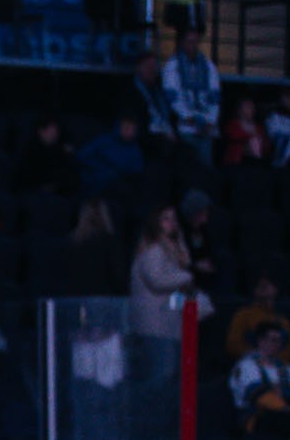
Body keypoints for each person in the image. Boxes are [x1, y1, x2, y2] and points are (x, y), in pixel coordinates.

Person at [129, 206, 202, 345]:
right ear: (155, 223)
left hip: (169, 322)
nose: (172, 222)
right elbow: (157, 280)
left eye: (174, 218)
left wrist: (180, 242)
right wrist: (187, 276)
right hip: (155, 325)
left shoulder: (170, 250)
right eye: (165, 219)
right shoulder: (153, 249)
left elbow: (178, 283)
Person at [229, 322, 290, 432]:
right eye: (273, 340)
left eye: (280, 341)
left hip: (284, 415)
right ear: (261, 341)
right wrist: (286, 409)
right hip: (254, 418)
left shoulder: (285, 368)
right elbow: (257, 394)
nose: (277, 345)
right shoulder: (246, 365)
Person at [163, 29, 221, 169]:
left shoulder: (208, 66)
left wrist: (210, 120)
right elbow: (172, 96)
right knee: (187, 167)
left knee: (206, 168)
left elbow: (215, 96)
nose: (192, 45)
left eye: (195, 42)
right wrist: (188, 116)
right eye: (189, 42)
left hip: (206, 127)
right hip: (185, 127)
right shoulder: (173, 65)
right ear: (182, 43)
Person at [64, 197, 128, 297]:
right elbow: (118, 277)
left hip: (77, 298)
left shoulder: (71, 243)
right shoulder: (110, 242)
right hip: (102, 298)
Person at [226, 275, 290, 361]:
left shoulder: (284, 321)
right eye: (259, 284)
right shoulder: (243, 315)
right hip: (250, 364)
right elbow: (232, 344)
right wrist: (257, 357)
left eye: (268, 283)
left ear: (276, 289)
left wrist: (273, 360)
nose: (263, 284)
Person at [76, 114, 144, 200]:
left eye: (132, 129)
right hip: (90, 181)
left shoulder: (135, 151)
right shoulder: (104, 140)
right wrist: (101, 167)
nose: (129, 132)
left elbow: (136, 173)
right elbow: (82, 155)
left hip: (114, 190)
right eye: (126, 127)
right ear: (118, 127)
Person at [122, 51, 178, 156]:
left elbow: (170, 113)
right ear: (139, 68)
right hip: (146, 135)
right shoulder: (130, 92)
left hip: (167, 131)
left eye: (154, 67)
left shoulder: (159, 90)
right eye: (148, 67)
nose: (152, 71)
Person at [14, 116, 78, 195]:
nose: (55, 135)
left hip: (55, 192)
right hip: (32, 192)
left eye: (57, 132)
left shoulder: (57, 149)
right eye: (51, 132)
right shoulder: (32, 149)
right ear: (41, 131)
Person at [222, 96, 267, 167]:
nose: (251, 109)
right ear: (239, 109)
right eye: (247, 107)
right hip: (236, 163)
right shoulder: (232, 125)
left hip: (255, 163)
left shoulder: (259, 127)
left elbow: (265, 145)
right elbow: (233, 137)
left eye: (252, 107)